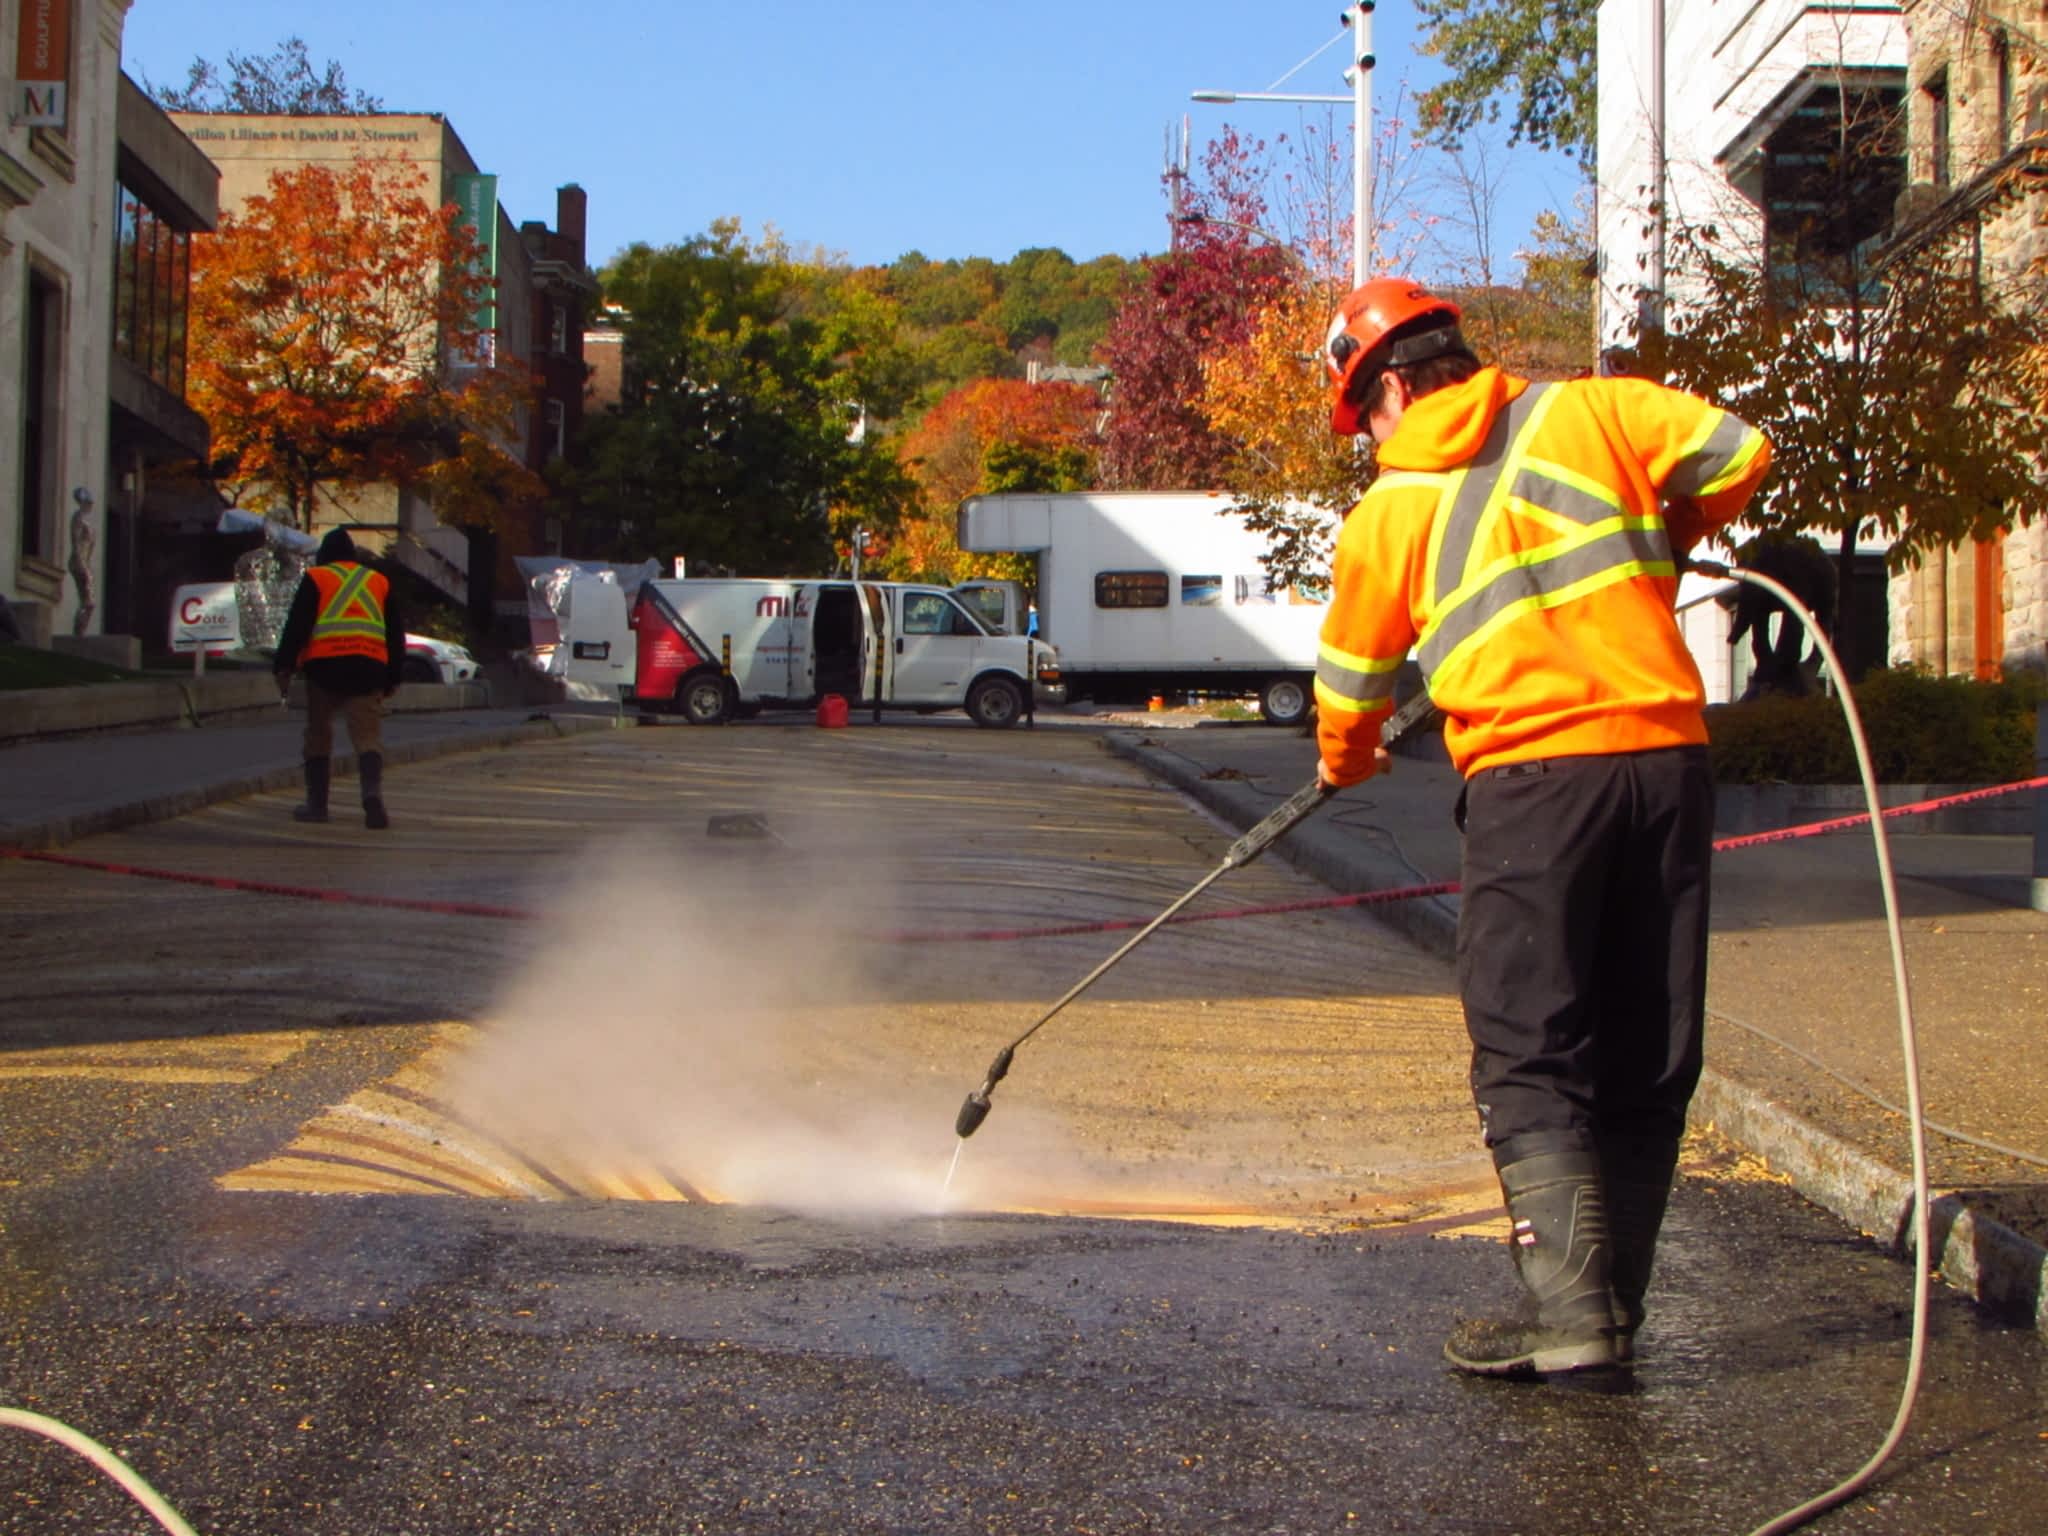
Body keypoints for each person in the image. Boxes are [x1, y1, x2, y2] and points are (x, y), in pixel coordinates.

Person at [1313, 278, 1772, 1377]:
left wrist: (1350, 761)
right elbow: (1738, 452)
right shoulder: (1596, 412)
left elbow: (1348, 689)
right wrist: (1662, 537)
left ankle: (1570, 1321)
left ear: (1384, 392)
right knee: (1643, 1039)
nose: (1368, 439)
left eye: (1360, 418)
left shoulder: (1388, 514)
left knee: (1531, 1043)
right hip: (1665, 765)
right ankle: (1612, 1308)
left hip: (1531, 788)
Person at [273, 528, 404, 830]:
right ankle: (371, 795)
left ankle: (317, 805)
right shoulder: (378, 581)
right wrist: (394, 676)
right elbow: (395, 634)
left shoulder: (318, 578)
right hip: (369, 668)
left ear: (325, 555)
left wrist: (283, 666)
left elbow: (297, 625)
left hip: (324, 668)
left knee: (319, 734)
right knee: (367, 737)